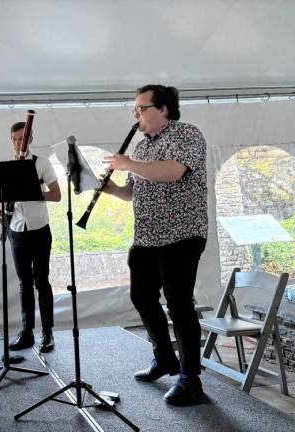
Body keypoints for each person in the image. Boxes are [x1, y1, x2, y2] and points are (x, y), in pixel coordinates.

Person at [102, 85, 208, 405]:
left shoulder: (187, 135)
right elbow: (130, 192)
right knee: (141, 296)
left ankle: (190, 378)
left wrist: (127, 164)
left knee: (178, 303)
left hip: (182, 234)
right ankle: (164, 357)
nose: (136, 115)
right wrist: (104, 187)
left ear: (163, 109)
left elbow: (171, 173)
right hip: (147, 237)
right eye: (134, 110)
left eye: (141, 108)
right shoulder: (142, 146)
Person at [0, 122, 61, 353]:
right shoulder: (6, 167)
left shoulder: (42, 163)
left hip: (40, 229)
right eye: (15, 138)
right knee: (24, 283)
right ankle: (27, 332)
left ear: (30, 139)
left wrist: (35, 191)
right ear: (11, 140)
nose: (19, 142)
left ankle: (48, 333)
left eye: (23, 138)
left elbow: (57, 195)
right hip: (17, 229)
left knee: (42, 280)